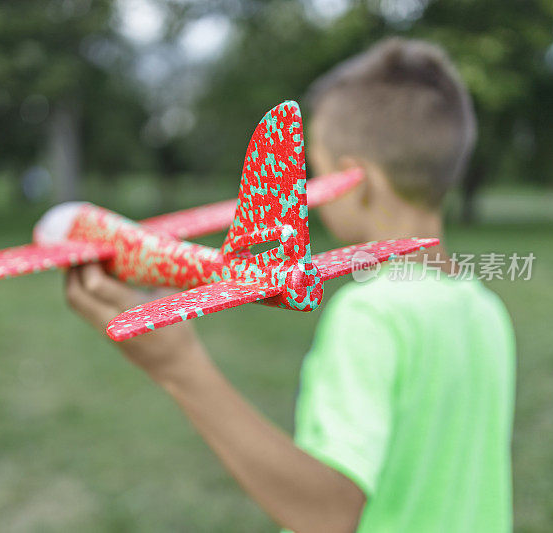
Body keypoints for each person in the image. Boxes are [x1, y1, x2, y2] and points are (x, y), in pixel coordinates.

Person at [64, 38, 515, 532]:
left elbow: (330, 514)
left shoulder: (373, 313)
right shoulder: (485, 308)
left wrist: (179, 367)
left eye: (314, 172)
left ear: (352, 181)